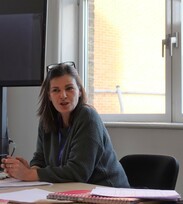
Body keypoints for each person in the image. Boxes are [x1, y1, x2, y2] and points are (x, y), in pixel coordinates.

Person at [1, 61, 130, 188]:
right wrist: (28, 169)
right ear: (49, 96)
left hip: (108, 192)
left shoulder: (88, 117)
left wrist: (30, 174)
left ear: (79, 91)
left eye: (69, 88)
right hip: (71, 192)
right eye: (56, 90)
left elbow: (78, 172)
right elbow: (40, 159)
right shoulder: (47, 120)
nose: (63, 96)